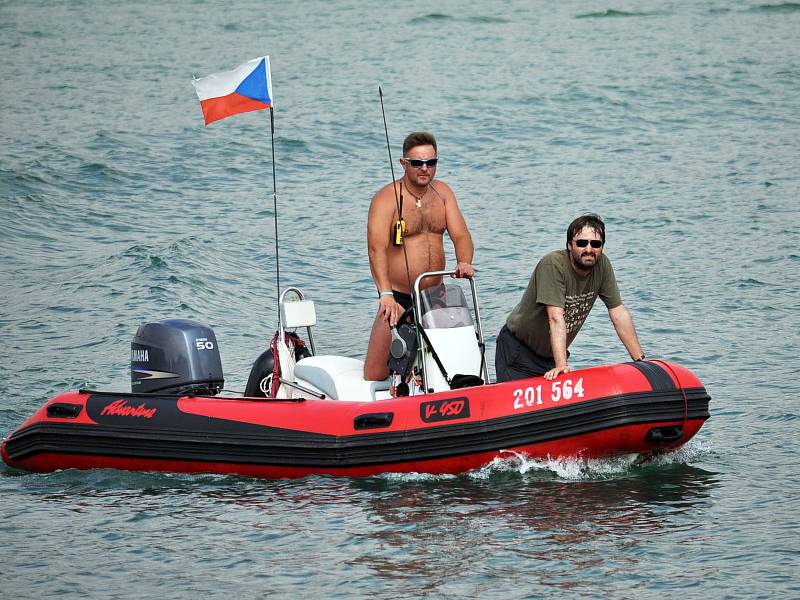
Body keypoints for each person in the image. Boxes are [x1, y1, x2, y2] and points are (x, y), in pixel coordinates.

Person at [364, 131, 474, 381]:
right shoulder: (386, 199)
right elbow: (376, 249)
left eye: (431, 162)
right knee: (375, 372)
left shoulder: (443, 193)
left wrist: (464, 261)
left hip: (435, 294)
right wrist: (385, 295)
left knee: (451, 364)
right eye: (417, 163)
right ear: (404, 163)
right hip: (397, 297)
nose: (425, 169)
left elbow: (462, 235)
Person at [495, 214, 646, 382]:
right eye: (582, 243)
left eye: (595, 244)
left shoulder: (602, 265)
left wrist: (641, 361)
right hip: (519, 352)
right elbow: (555, 317)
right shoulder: (552, 265)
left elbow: (618, 312)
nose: (589, 249)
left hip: (550, 356)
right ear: (569, 245)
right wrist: (562, 366)